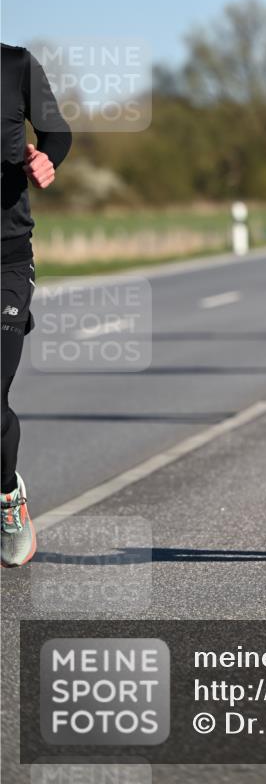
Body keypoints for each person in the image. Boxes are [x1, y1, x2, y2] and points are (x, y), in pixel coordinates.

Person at [1, 44, 72, 567]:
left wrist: (48, 158)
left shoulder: (15, 64)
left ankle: (6, 495)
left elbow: (58, 132)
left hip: (5, 256)